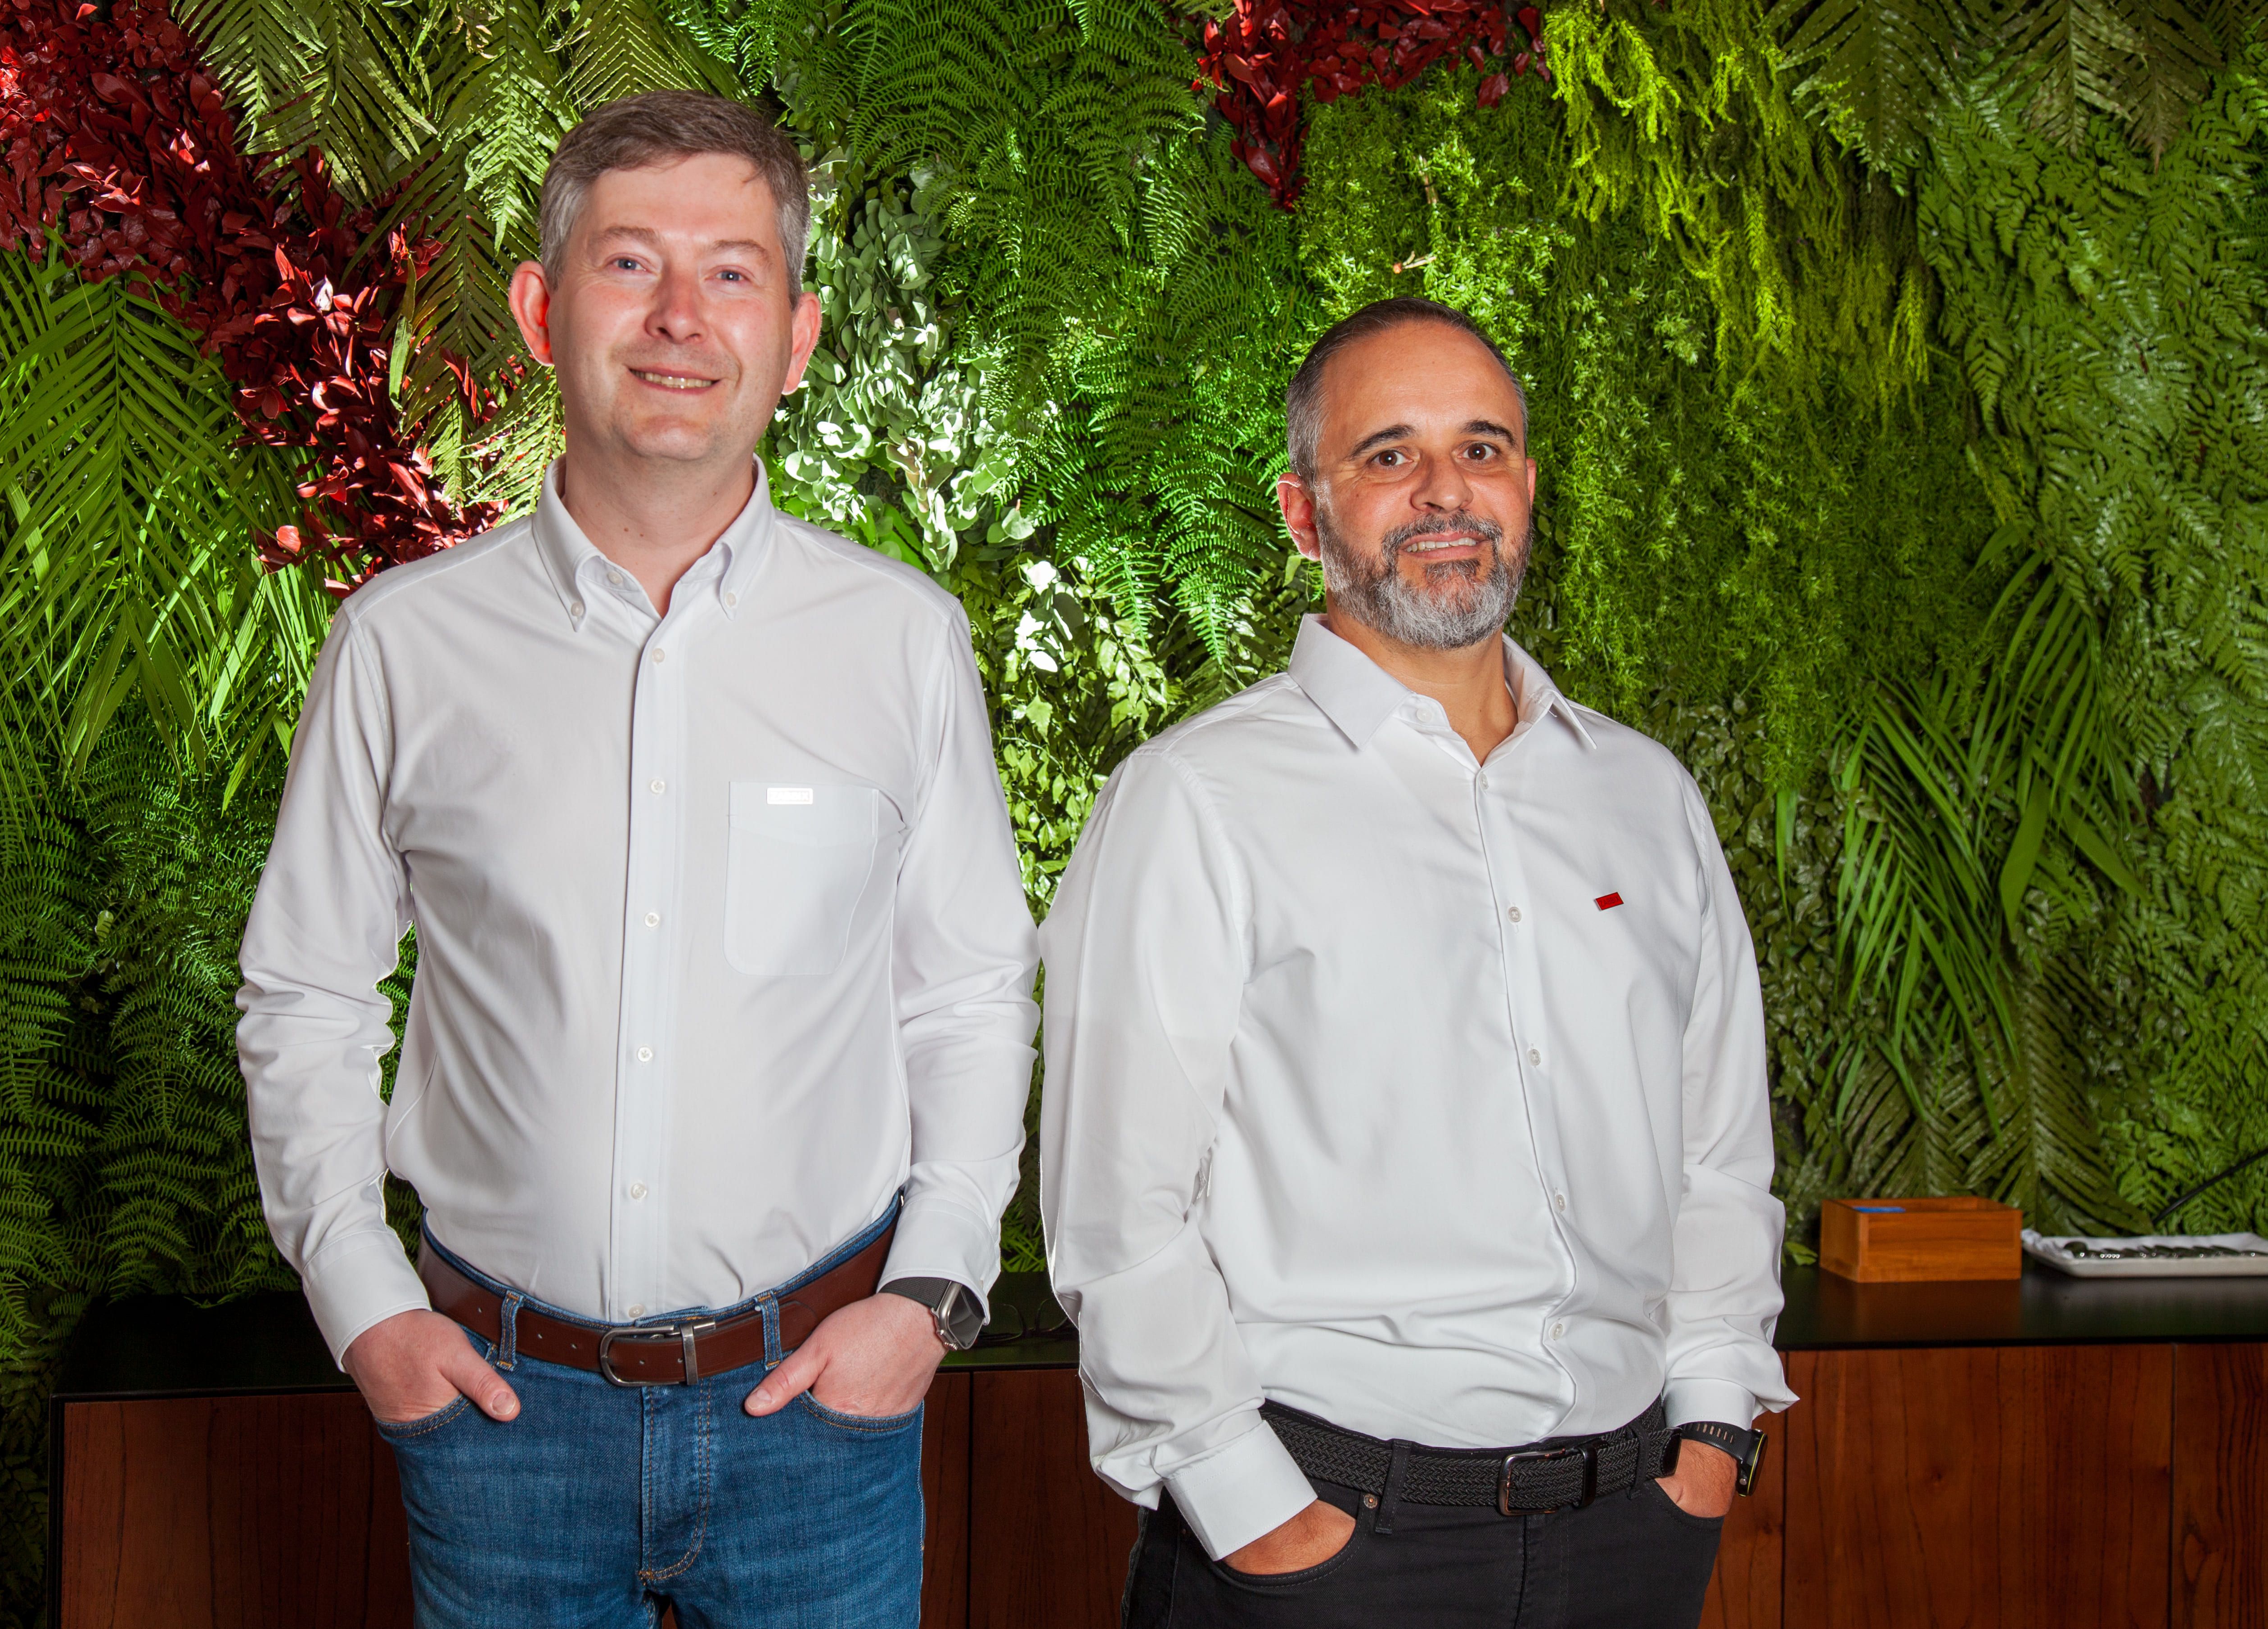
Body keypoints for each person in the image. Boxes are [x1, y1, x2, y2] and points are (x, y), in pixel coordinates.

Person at [238, 90, 1037, 1629]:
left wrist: (931, 1294)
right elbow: (307, 997)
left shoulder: (901, 642)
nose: (682, 316)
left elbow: (968, 993)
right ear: (544, 311)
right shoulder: (401, 647)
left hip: (822, 1413)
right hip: (499, 1419)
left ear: (796, 337)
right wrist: (364, 1307)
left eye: (732, 272)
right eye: (630, 264)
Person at [1039, 296, 1795, 1627]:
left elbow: (1718, 1154)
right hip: (1325, 1542)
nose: (1448, 491)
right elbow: (1118, 1214)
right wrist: (1253, 1513)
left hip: (1633, 1529)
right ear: (1302, 512)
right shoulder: (1197, 799)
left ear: (1527, 487)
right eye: (1390, 455)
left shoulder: (1645, 796)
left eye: (1481, 448)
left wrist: (1714, 1426)